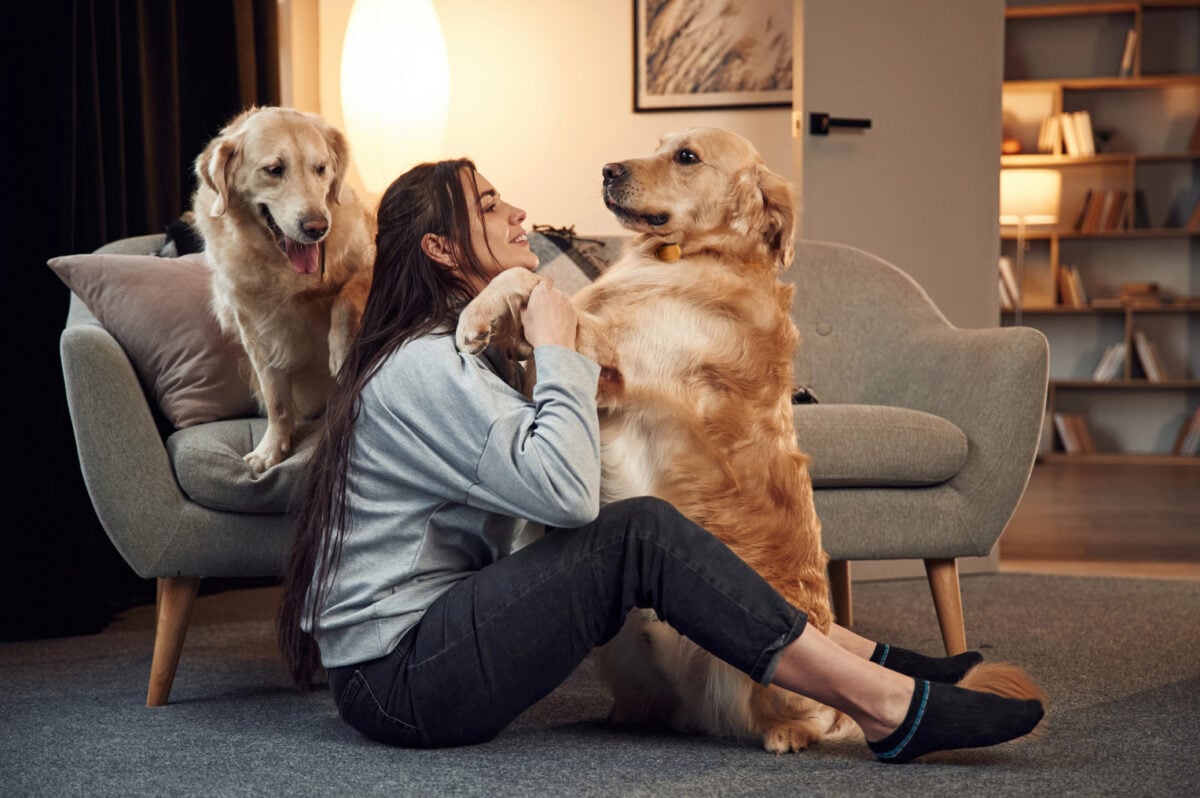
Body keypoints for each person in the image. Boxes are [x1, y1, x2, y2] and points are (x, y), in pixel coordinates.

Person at [277, 158, 1044, 763]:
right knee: (638, 532)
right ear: (441, 249)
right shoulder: (422, 369)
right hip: (400, 683)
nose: (516, 213)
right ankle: (886, 708)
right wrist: (557, 346)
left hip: (431, 646)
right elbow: (568, 496)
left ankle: (893, 671)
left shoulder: (463, 354)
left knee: (657, 530)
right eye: (488, 206)